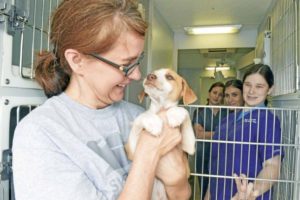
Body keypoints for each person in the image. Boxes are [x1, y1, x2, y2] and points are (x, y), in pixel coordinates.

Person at [12, 1, 190, 200]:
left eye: (137, 61)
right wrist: (149, 153)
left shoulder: (137, 115)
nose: (137, 75)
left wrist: (178, 179)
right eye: (125, 65)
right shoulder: (40, 134)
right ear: (77, 60)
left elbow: (181, 195)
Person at [208, 64, 283, 200]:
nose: (251, 91)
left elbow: (272, 166)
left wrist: (251, 192)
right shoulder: (228, 119)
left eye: (259, 86)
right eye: (248, 85)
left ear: (270, 89)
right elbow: (216, 162)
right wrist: (208, 194)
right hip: (218, 193)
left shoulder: (267, 120)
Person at [192, 82, 227, 199]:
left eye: (221, 94)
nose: (217, 96)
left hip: (223, 155)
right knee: (204, 185)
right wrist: (222, 134)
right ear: (209, 93)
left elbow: (232, 134)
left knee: (221, 186)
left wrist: (208, 134)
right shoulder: (200, 111)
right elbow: (199, 134)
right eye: (215, 93)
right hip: (203, 155)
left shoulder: (227, 113)